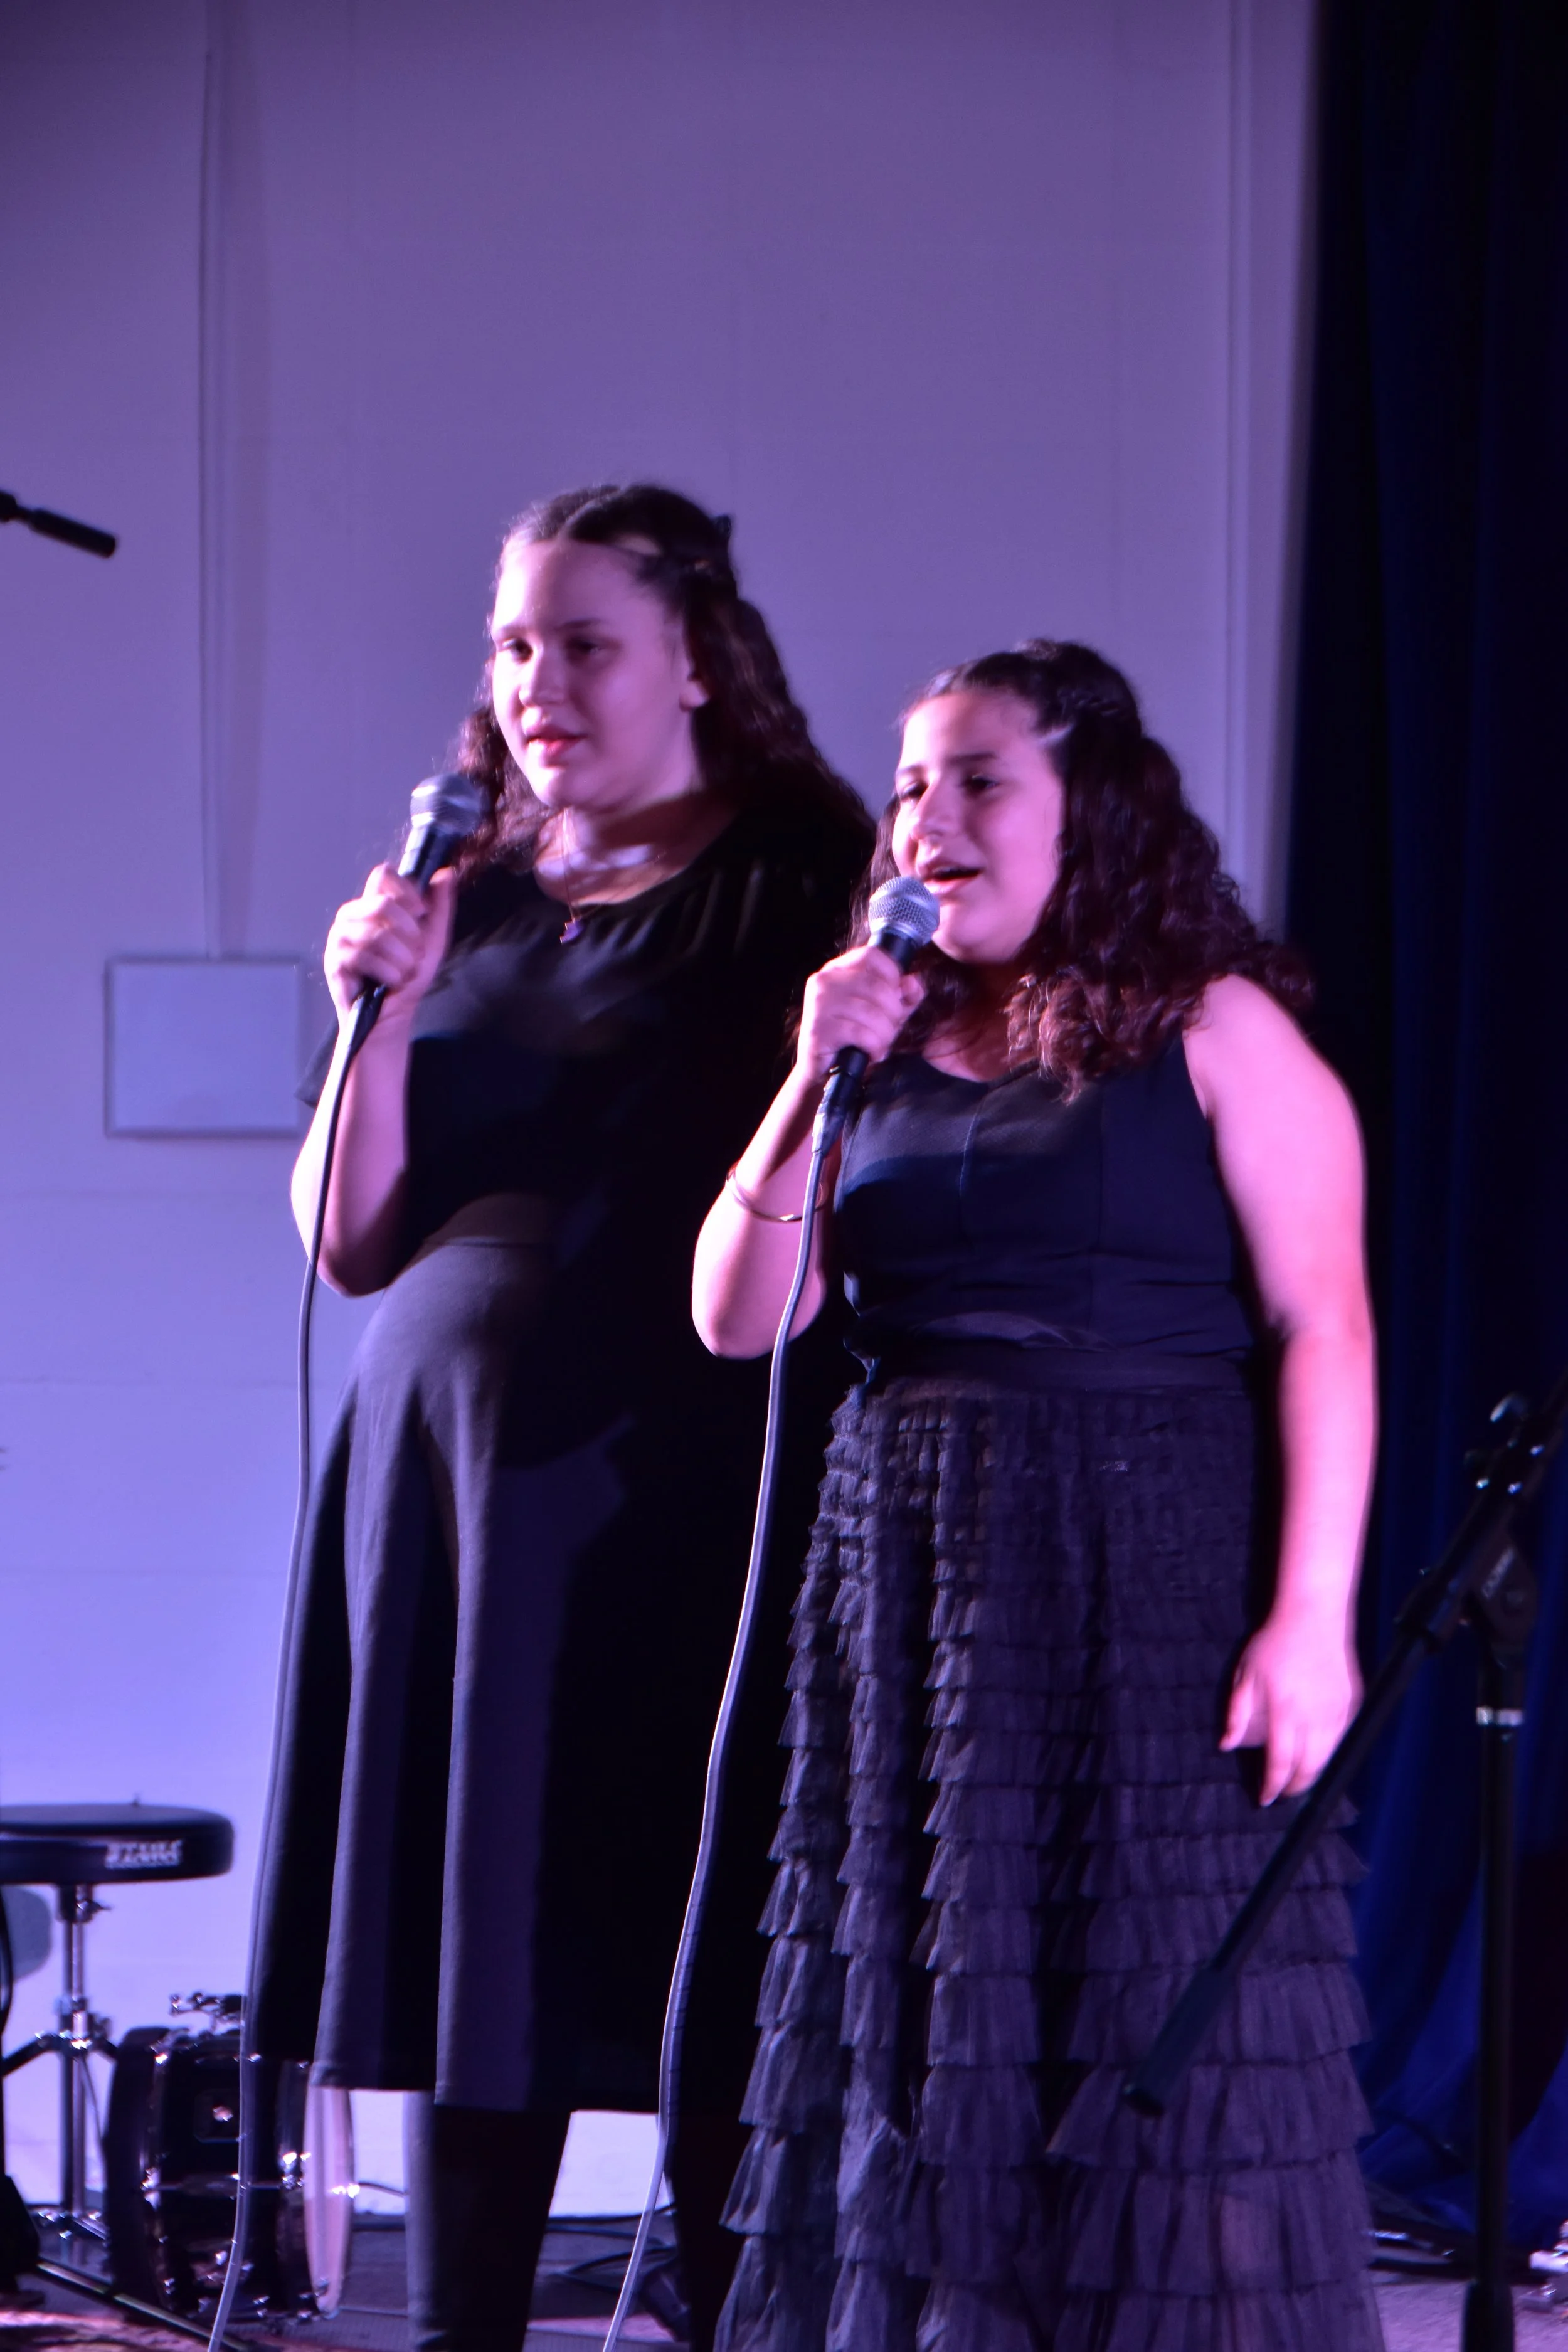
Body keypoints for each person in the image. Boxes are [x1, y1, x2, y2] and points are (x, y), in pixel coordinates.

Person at [694, 640, 1382, 2349]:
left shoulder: (1211, 1027)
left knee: (1161, 2018)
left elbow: (1325, 1322)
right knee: (937, 2018)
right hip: (914, 1583)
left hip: (1147, 1564)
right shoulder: (879, 1038)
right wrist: (807, 1075)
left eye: (979, 779)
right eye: (910, 785)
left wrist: (1311, 1618)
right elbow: (736, 1317)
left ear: (1094, 810)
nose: (928, 817)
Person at [248, 484, 872, 2352]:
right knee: (472, 1914)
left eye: (584, 643)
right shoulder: (465, 894)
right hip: (441, 1488)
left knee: (691, 1906)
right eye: (514, 644)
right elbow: (349, 1239)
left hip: (663, 1471)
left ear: (697, 659)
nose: (537, 683)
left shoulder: (796, 876)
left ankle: (732, 2306)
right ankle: (462, 2326)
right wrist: (374, 1007)